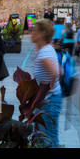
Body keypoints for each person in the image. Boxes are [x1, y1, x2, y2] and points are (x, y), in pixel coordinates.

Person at [28, 18, 63, 147]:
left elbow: (56, 72)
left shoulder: (44, 53)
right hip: (49, 100)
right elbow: (60, 69)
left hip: (49, 101)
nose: (32, 33)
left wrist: (48, 89)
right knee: (46, 137)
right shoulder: (46, 49)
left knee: (49, 139)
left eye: (34, 31)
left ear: (42, 33)